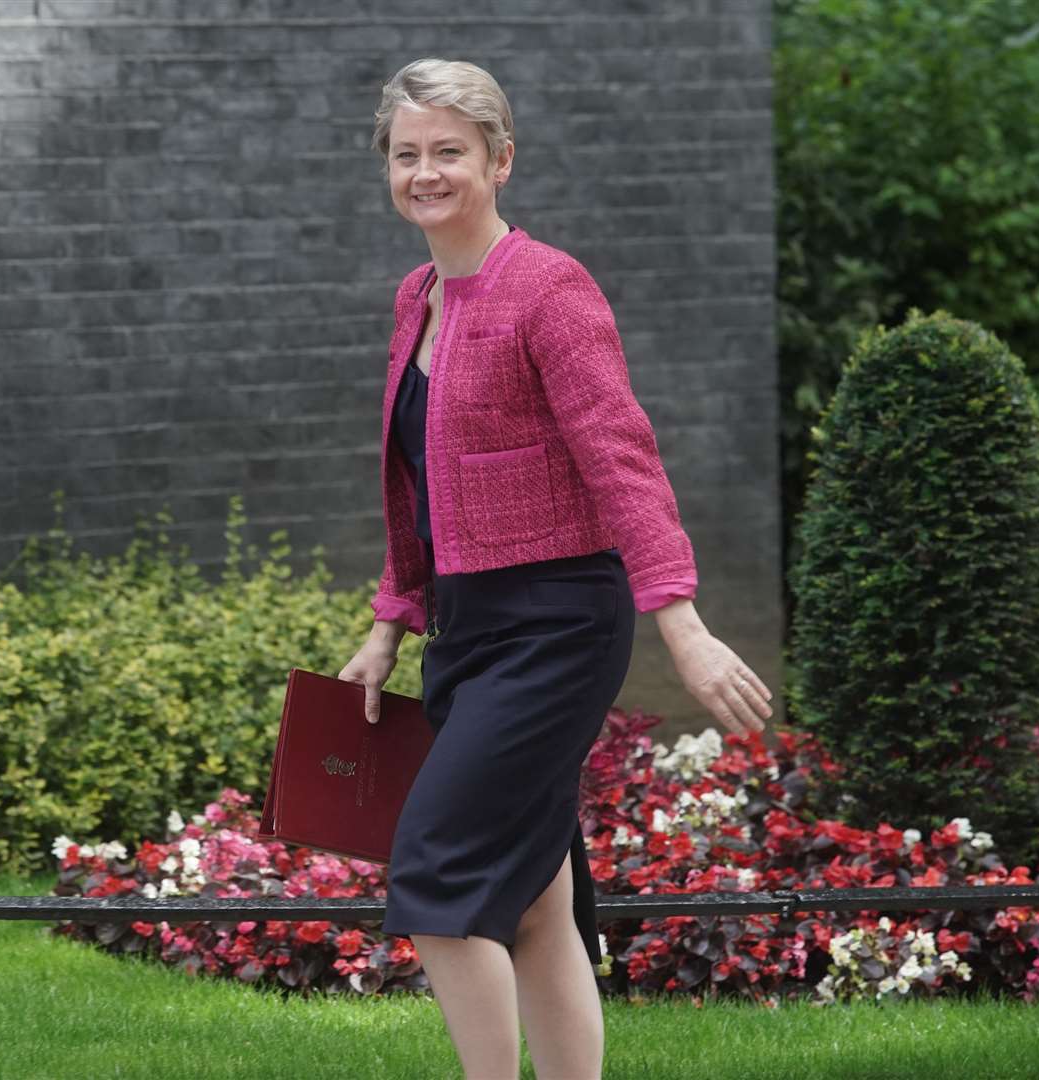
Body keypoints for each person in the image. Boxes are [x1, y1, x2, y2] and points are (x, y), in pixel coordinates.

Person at [335, 58, 775, 1080]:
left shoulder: (550, 287)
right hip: (468, 626)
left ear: (500, 159)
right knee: (534, 898)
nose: (426, 172)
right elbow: (417, 483)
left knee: (439, 876)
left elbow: (621, 459)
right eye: (407, 154)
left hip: (558, 625)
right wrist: (389, 622)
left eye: (450, 151)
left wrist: (682, 621)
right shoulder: (417, 297)